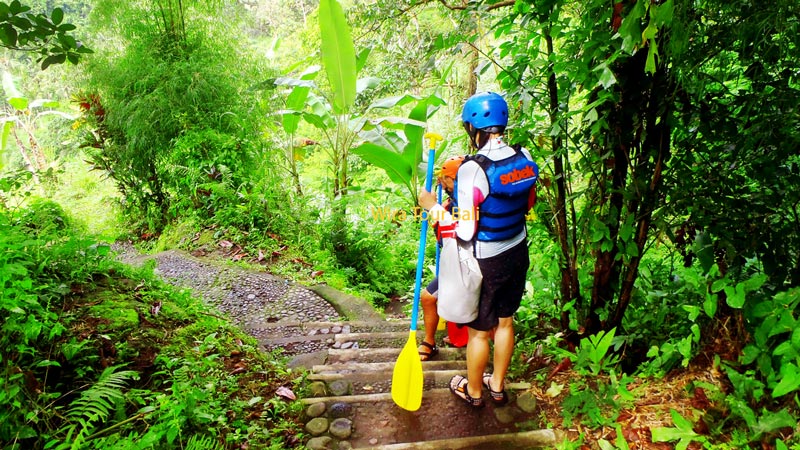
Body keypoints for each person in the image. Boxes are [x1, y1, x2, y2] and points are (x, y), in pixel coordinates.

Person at [418, 92, 538, 407]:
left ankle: (473, 392)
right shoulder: (522, 154)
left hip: (488, 259)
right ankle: (497, 386)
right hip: (518, 249)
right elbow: (529, 202)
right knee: (506, 321)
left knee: (479, 332)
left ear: (474, 128)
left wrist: (433, 208)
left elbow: (466, 229)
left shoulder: (474, 168)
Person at [418, 155, 465, 361]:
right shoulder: (451, 201)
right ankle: (431, 341)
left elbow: (458, 231)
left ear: (453, 179)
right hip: (453, 261)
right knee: (430, 298)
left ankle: (430, 341)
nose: (441, 181)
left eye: (444, 178)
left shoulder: (468, 200)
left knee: (428, 297)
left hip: (467, 263)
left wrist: (433, 208)